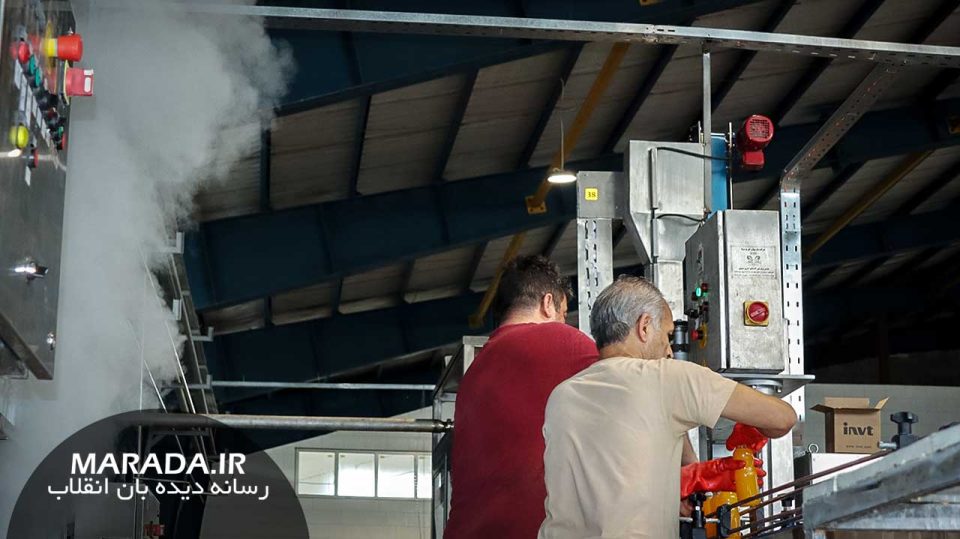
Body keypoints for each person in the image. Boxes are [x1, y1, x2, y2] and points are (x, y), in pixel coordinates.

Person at [539, 276, 797, 539]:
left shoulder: (562, 395)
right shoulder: (667, 376)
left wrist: (676, 489)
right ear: (644, 326)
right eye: (667, 335)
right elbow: (783, 418)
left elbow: (608, 478)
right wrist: (751, 430)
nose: (670, 350)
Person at [443, 255, 599, 539]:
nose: (565, 322)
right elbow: (632, 387)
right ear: (548, 303)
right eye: (564, 314)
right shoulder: (562, 341)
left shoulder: (474, 372)